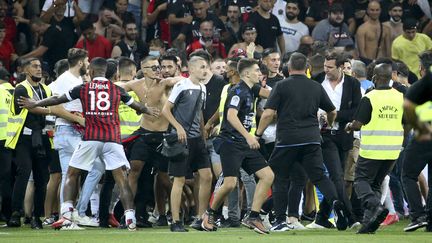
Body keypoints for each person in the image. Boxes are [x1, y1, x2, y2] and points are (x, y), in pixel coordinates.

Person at [19, 57, 159, 231]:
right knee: (122, 179)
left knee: (71, 173)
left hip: (91, 137)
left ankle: (67, 214)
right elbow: (136, 105)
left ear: (91, 72)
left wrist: (35, 103)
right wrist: (148, 110)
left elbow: (57, 100)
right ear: (108, 72)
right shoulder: (116, 89)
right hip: (113, 139)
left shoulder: (83, 88)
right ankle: (130, 218)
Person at [255, 52, 348, 231]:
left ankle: (281, 220)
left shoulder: (281, 86)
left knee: (280, 178)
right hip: (312, 140)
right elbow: (332, 111)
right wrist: (327, 123)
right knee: (319, 176)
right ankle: (336, 203)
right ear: (307, 69)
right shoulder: (315, 86)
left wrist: (258, 134)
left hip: (286, 140)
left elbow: (267, 113)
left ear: (288, 68)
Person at [5, 58, 83, 229]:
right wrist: (51, 108)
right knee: (23, 173)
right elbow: (30, 108)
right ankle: (15, 213)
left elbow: (48, 106)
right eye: (35, 66)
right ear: (26, 70)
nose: (39, 69)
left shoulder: (46, 89)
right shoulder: (21, 88)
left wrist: (52, 109)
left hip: (42, 138)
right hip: (23, 139)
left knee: (42, 178)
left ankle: (37, 216)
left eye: (40, 66)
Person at [201, 58, 274, 234]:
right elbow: (231, 116)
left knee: (268, 175)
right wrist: (249, 136)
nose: (260, 73)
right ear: (247, 74)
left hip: (244, 143)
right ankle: (208, 214)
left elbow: (270, 95)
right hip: (231, 143)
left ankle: (253, 216)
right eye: (257, 71)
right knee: (230, 183)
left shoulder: (253, 89)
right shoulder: (237, 91)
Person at [345, 63, 404, 234]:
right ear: (391, 77)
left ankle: (375, 206)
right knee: (376, 184)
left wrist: (349, 126)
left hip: (373, 149)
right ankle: (368, 224)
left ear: (376, 78)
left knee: (361, 181)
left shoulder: (370, 97)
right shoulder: (400, 96)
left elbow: (358, 124)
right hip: (393, 150)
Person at [161, 56, 213, 232]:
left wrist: (203, 135)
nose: (205, 70)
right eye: (202, 67)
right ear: (191, 69)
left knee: (207, 176)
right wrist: (178, 128)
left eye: (206, 67)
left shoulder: (203, 87)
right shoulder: (181, 86)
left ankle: (200, 218)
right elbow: (165, 110)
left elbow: (199, 113)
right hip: (181, 139)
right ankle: (175, 221)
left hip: (197, 139)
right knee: (180, 179)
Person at [401, 51, 432, 232]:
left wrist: (405, 139)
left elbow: (407, 120)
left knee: (408, 175)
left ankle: (418, 215)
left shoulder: (417, 88)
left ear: (421, 69)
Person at [0, 67, 13, 222]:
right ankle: (9, 211)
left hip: (1, 137)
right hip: (15, 140)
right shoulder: (16, 91)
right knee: (8, 178)